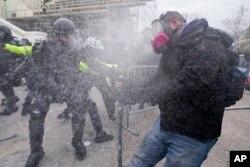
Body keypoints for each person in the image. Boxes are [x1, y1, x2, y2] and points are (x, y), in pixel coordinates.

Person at [126, 11, 238, 167]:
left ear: (174, 23)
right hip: (166, 122)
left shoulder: (208, 43)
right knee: (138, 163)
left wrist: (143, 94)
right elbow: (160, 77)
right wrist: (131, 91)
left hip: (194, 134)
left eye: (159, 28)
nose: (156, 34)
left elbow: (186, 82)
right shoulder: (173, 47)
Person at [3, 18, 113, 167]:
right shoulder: (43, 47)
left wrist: (113, 70)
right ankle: (36, 151)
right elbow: (27, 57)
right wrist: (13, 75)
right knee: (36, 113)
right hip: (48, 88)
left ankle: (77, 142)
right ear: (58, 35)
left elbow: (93, 64)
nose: (71, 38)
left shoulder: (76, 50)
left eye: (71, 35)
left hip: (68, 87)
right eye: (67, 35)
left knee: (81, 107)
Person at [57, 37, 117, 121]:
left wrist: (111, 68)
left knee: (108, 94)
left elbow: (101, 62)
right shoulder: (81, 53)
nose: (96, 52)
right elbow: (93, 65)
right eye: (94, 50)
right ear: (89, 48)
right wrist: (109, 69)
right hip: (85, 77)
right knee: (80, 97)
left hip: (98, 77)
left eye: (97, 50)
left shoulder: (97, 53)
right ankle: (67, 112)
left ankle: (111, 114)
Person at [0, 25, 21, 115]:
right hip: (3, 69)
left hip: (8, 69)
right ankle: (11, 99)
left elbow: (15, 54)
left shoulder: (12, 42)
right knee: (4, 87)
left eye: (1, 33)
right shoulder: (3, 41)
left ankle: (12, 105)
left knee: (6, 86)